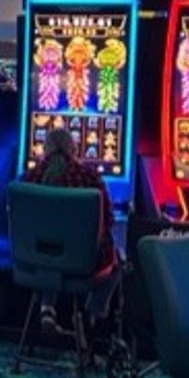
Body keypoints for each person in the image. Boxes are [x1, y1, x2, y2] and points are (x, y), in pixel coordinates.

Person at [21, 127, 118, 334]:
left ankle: (47, 308)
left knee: (51, 247)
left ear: (44, 149)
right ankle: (90, 313)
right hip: (83, 261)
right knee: (118, 260)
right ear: (74, 149)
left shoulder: (28, 178)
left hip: (35, 259)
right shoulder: (89, 178)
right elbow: (108, 220)